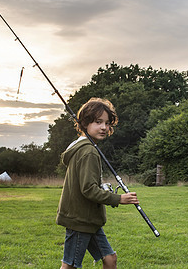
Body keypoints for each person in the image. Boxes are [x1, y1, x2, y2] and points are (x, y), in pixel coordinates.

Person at [56, 98, 139, 269]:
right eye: (98, 122)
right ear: (85, 123)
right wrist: (119, 198)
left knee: (110, 258)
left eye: (107, 123)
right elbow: (89, 190)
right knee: (69, 266)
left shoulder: (82, 147)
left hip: (90, 219)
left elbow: (87, 185)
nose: (104, 127)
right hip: (80, 219)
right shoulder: (89, 152)